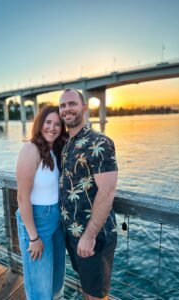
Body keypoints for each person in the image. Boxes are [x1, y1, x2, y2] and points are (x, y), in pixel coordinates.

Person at [58, 89, 118, 300]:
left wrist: (89, 236)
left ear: (84, 108)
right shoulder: (67, 144)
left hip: (93, 236)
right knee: (88, 291)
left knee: (96, 296)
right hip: (73, 235)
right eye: (63, 106)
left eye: (72, 104)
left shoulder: (99, 142)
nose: (67, 109)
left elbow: (108, 190)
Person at [16, 105, 66, 300]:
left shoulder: (54, 151)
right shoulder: (30, 149)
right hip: (37, 222)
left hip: (57, 220)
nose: (52, 128)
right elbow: (22, 197)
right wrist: (33, 237)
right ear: (40, 123)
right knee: (40, 288)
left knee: (56, 283)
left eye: (57, 124)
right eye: (48, 122)